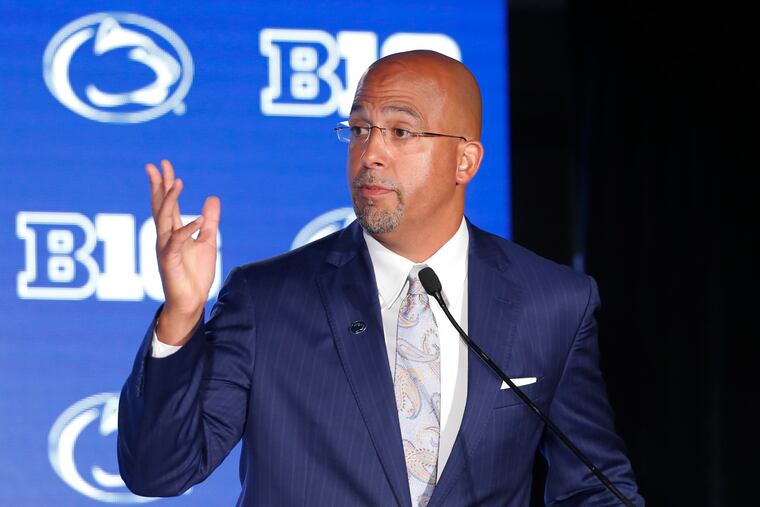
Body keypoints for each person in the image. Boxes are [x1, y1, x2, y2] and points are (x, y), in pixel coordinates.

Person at [118, 50, 644, 506]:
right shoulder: (266, 300)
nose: (370, 153)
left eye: (401, 132)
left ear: (465, 161)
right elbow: (158, 471)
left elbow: (596, 488)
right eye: (359, 130)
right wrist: (182, 315)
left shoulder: (551, 302)